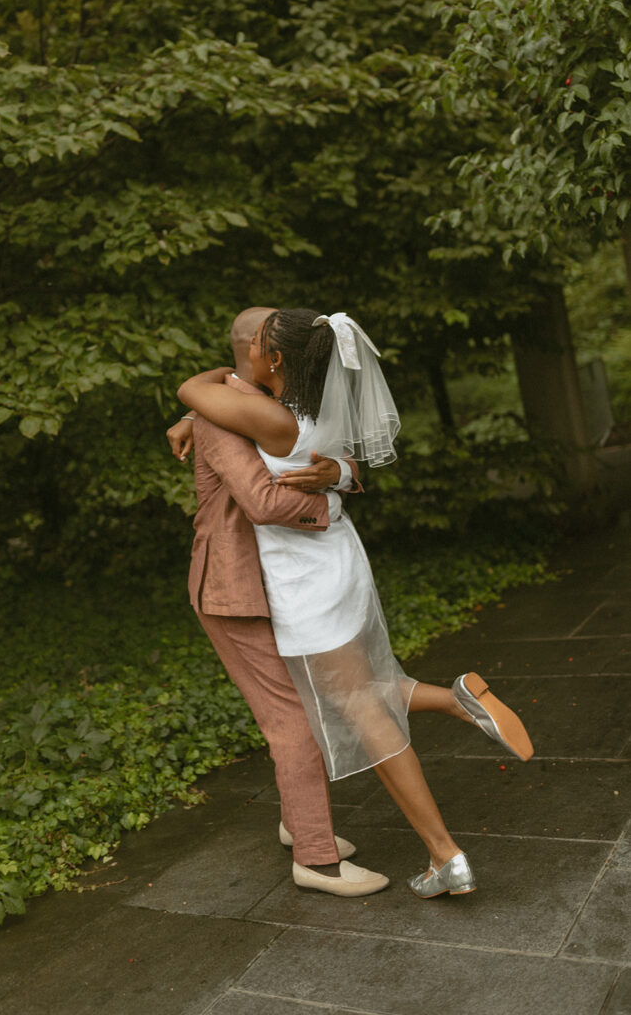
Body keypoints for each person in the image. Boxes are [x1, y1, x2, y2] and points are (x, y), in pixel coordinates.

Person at [178, 307, 534, 899]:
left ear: (271, 356)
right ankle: (456, 701)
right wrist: (338, 478)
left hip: (304, 577)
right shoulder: (319, 401)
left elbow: (259, 491)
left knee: (358, 707)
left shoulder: (257, 413)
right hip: (342, 562)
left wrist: (197, 405)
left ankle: (445, 854)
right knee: (345, 692)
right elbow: (343, 463)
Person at [168, 307, 392, 898]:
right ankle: (316, 862)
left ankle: (301, 825)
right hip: (232, 588)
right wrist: (331, 506)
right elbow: (266, 503)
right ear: (261, 351)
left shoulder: (249, 403)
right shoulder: (221, 417)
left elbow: (328, 454)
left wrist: (338, 474)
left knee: (305, 709)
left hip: (269, 582)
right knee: (290, 722)